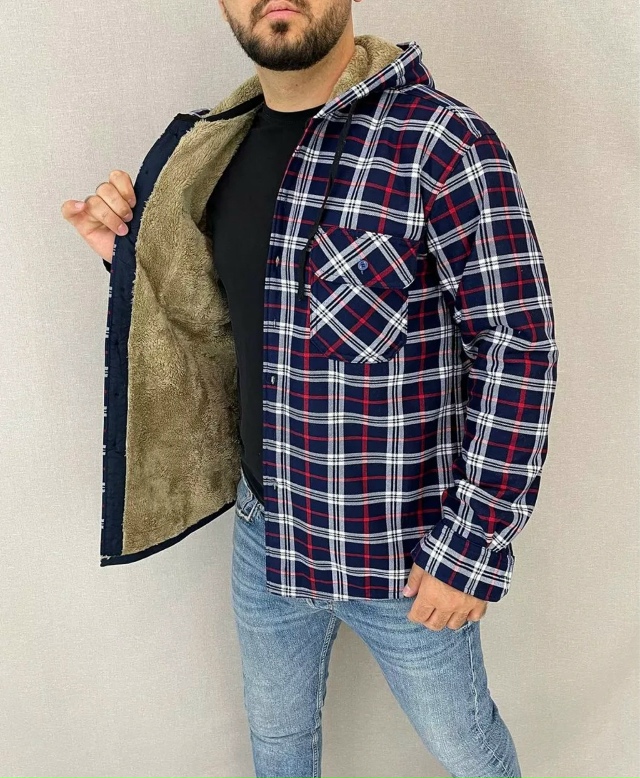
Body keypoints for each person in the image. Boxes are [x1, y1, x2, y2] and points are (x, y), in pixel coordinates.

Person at [62, 2, 559, 776]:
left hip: (403, 554)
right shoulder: (216, 150)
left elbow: (517, 346)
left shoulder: (442, 142)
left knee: (469, 750)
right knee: (279, 745)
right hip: (266, 535)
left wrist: (473, 545)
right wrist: (128, 259)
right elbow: (229, 327)